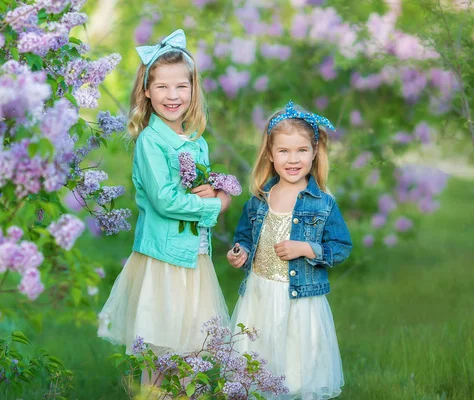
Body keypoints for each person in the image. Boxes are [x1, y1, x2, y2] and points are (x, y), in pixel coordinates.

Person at [98, 29, 231, 375]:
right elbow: (165, 200)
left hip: (194, 256)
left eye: (181, 87)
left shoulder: (195, 140)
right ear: (146, 91)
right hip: (164, 259)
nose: (172, 96)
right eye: (162, 87)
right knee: (162, 346)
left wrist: (216, 190)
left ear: (193, 89)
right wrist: (215, 206)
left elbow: (196, 187)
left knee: (191, 347)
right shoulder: (150, 142)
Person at [227, 100, 352, 399]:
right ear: (270, 154)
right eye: (284, 151)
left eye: (301, 151)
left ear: (314, 153)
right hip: (259, 295)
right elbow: (244, 236)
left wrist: (308, 248)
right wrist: (239, 252)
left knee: (297, 371)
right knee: (257, 369)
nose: (292, 159)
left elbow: (341, 246)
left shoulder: (323, 203)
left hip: (299, 301)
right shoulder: (260, 199)